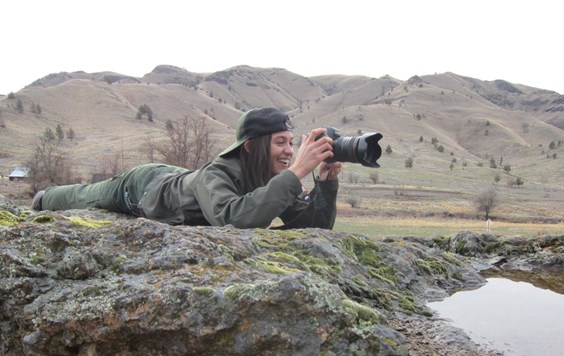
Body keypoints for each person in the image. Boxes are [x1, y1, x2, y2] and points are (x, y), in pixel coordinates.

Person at [31, 107, 342, 229]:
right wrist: (295, 173)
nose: (289, 151)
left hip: (180, 178)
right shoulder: (216, 174)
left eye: (291, 142)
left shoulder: (275, 178)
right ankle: (45, 197)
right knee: (89, 195)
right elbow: (233, 219)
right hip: (143, 186)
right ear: (250, 147)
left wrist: (325, 185)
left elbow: (312, 228)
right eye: (279, 143)